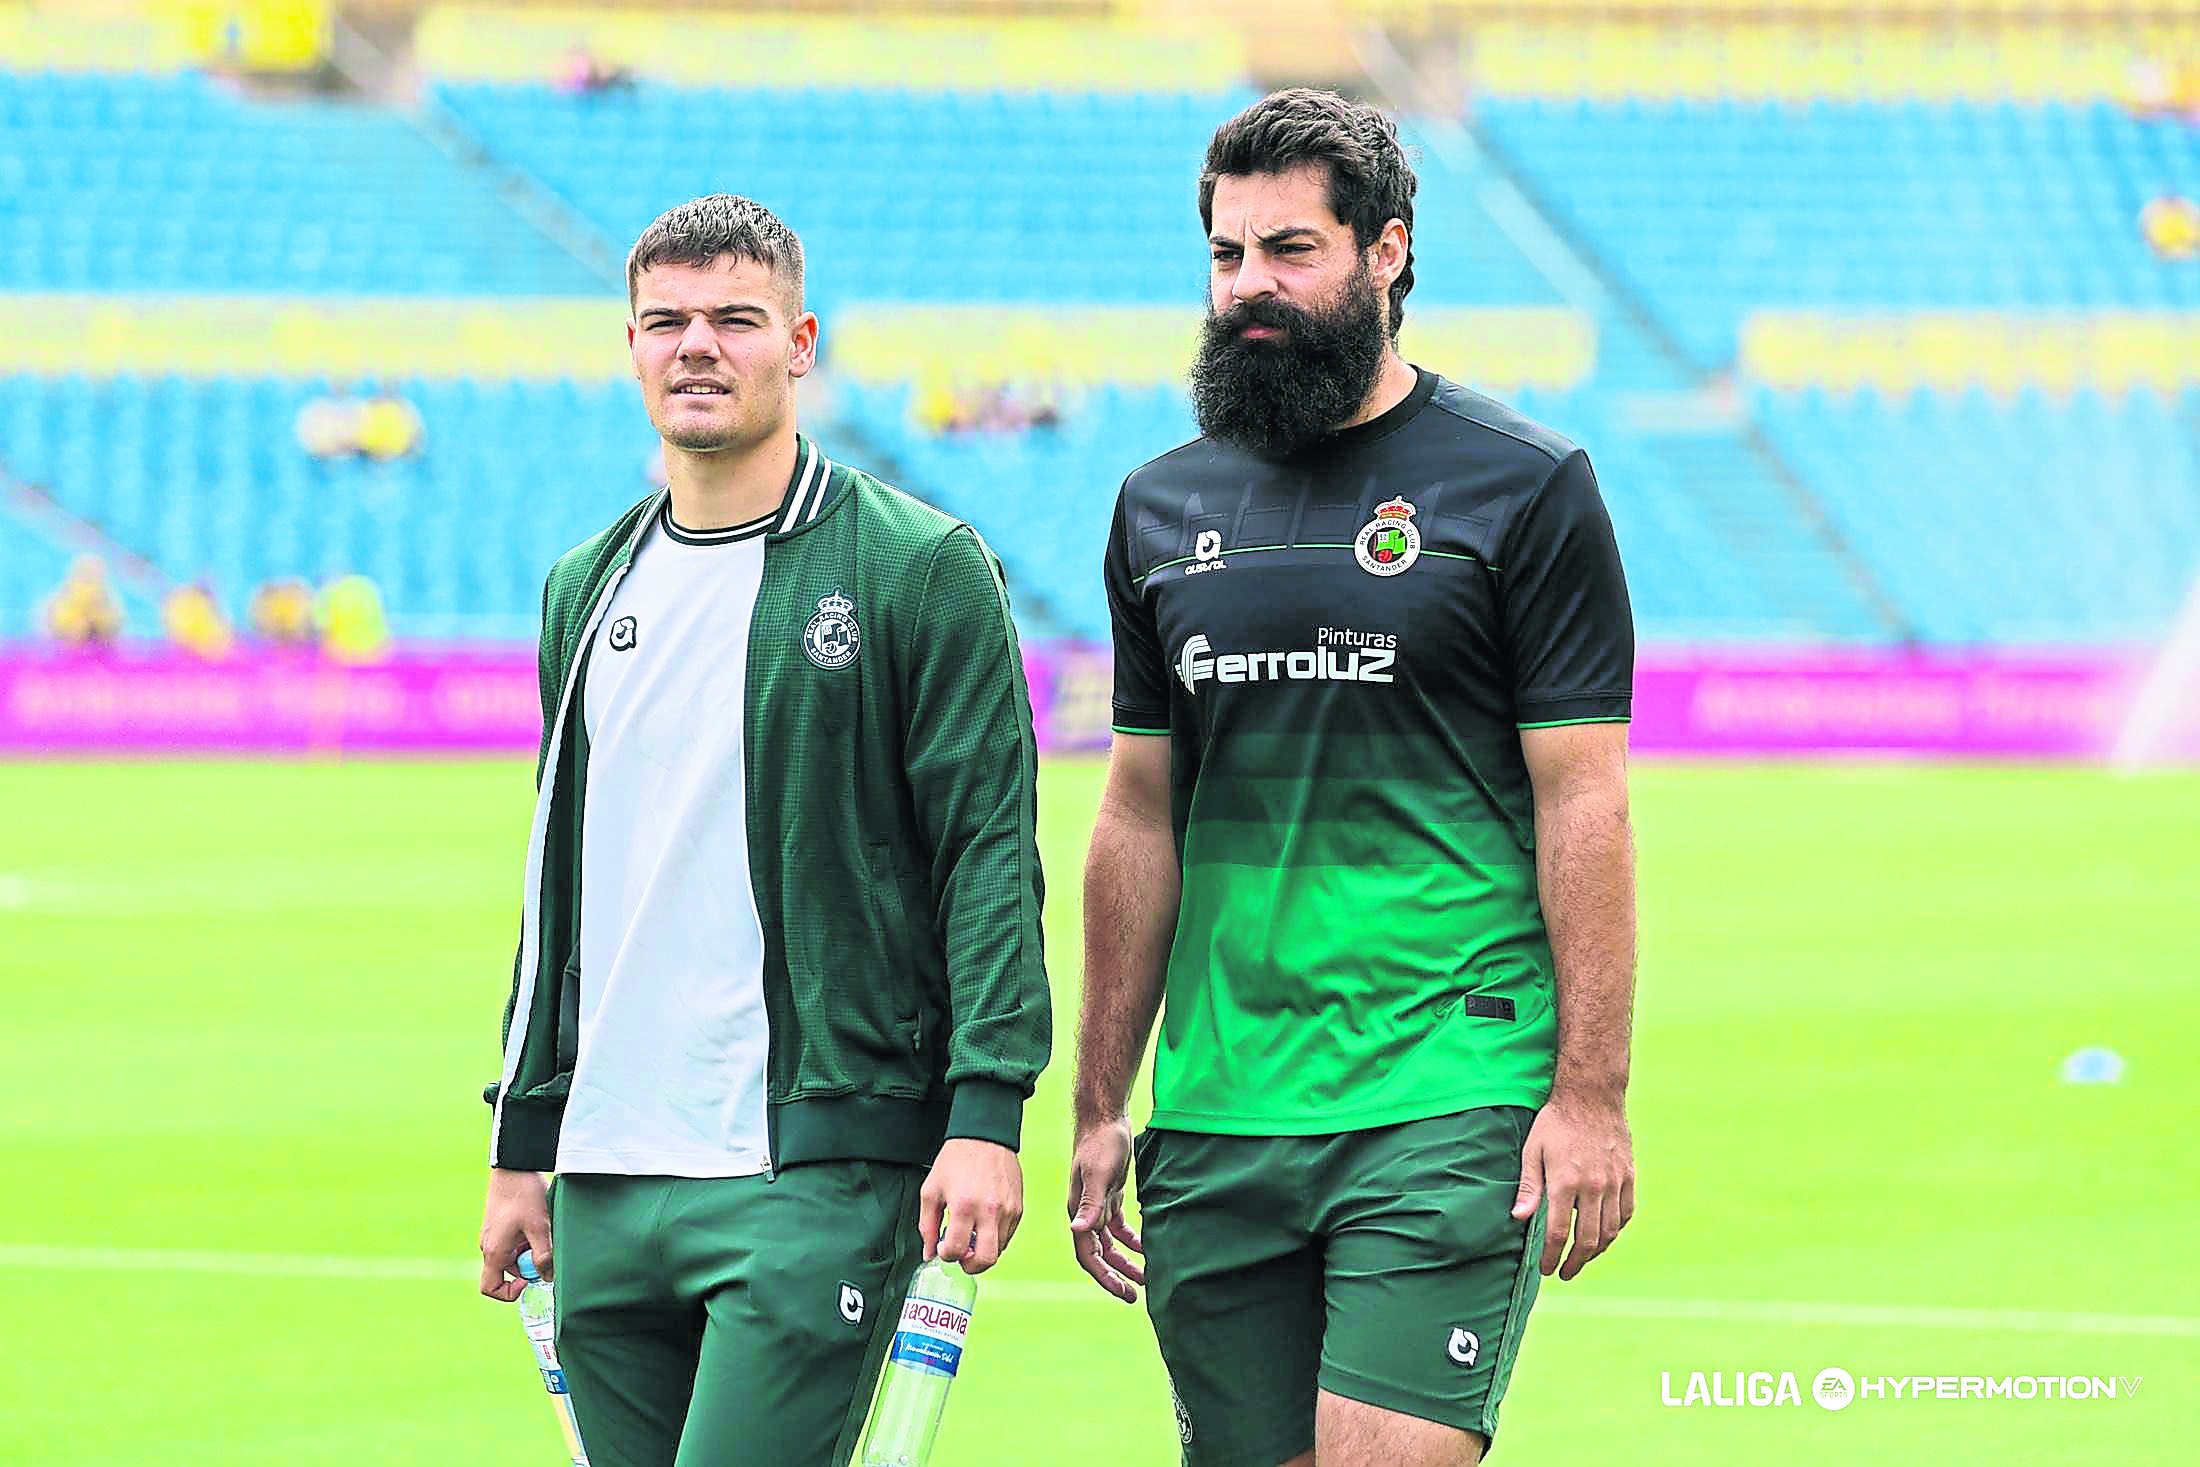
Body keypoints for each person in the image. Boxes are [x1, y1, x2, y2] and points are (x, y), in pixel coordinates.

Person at [1068, 90, 1638, 1467]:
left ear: (1385, 253)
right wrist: (1098, 1099)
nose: (1248, 285)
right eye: (1227, 255)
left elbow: (1584, 799)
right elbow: (1137, 814)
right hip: (1221, 1106)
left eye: (1290, 250)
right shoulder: (1158, 506)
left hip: (1444, 1081)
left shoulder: (1523, 485)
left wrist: (1590, 1091)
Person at [477, 194, 1049, 1467]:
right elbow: (557, 886)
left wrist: (986, 1113)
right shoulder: (585, 585)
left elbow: (987, 854)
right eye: (666, 321)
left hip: (812, 1166)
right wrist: (522, 1143)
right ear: (630, 345)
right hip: (604, 1173)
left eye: (734, 318)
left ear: (799, 344)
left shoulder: (917, 566)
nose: (697, 345)